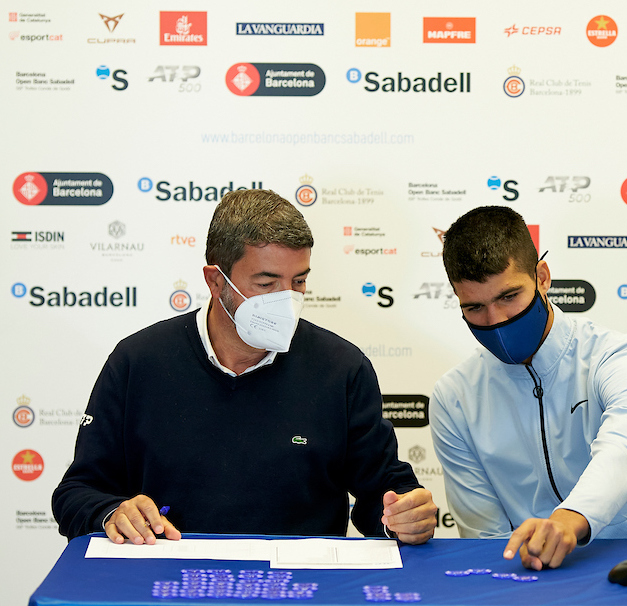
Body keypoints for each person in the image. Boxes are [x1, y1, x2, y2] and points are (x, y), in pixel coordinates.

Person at [52, 190, 437, 545]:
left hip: (301, 590)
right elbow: (77, 494)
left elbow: (384, 494)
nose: (287, 300)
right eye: (267, 283)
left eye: (298, 281)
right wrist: (110, 514)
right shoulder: (138, 361)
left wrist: (403, 517)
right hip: (170, 585)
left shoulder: (342, 368)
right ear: (216, 281)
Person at [430, 206, 627, 570]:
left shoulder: (618, 356)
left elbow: (625, 450)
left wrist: (568, 520)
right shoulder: (453, 397)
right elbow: (485, 538)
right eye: (474, 308)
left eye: (508, 297)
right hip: (531, 576)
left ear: (543, 277)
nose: (496, 321)